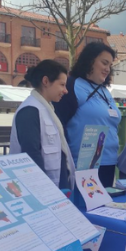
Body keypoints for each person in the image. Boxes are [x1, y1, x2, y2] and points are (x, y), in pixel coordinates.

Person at [53, 42, 121, 188]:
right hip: (83, 164)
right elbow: (58, 123)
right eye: (104, 63)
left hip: (109, 162)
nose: (107, 69)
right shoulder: (72, 85)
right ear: (90, 60)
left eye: (110, 65)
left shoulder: (104, 90)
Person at [9, 60, 75, 190]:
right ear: (46, 81)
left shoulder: (47, 110)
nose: (65, 91)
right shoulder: (30, 111)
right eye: (62, 84)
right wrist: (45, 191)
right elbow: (31, 155)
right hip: (41, 190)